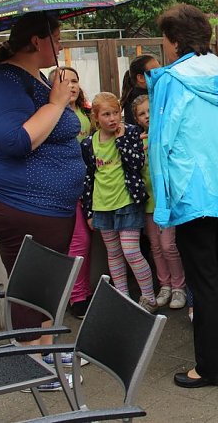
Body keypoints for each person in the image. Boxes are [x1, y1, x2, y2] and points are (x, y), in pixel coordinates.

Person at [147, 3, 218, 389]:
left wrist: (162, 201)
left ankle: (212, 367)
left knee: (205, 281)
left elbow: (159, 144)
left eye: (164, 38)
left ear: (175, 40)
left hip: (193, 190)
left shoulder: (170, 81)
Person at [0, 12, 83, 370]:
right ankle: (34, 362)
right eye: (57, 36)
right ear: (38, 41)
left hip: (49, 204)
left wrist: (61, 99)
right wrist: (56, 103)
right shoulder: (5, 79)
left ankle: (48, 349)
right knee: (33, 281)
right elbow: (15, 140)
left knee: (48, 279)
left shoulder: (33, 78)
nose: (62, 43)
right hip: (20, 200)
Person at [80, 92, 157, 312]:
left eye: (116, 113)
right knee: (113, 254)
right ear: (96, 118)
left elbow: (136, 163)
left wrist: (122, 140)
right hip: (102, 206)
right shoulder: (88, 144)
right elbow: (88, 178)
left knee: (131, 251)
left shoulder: (130, 133)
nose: (113, 118)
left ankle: (149, 297)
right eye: (106, 114)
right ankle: (122, 297)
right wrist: (89, 211)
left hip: (128, 202)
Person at [132, 95, 187, 310]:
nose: (147, 116)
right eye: (142, 114)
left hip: (167, 202)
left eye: (149, 111)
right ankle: (164, 285)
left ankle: (178, 286)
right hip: (149, 203)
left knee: (168, 246)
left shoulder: (166, 136)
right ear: (137, 119)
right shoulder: (138, 141)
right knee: (155, 246)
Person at [48, 66, 94, 319]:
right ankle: (77, 297)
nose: (72, 86)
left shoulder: (86, 112)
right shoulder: (51, 114)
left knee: (87, 239)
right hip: (64, 187)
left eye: (75, 80)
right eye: (65, 82)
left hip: (89, 185)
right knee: (79, 241)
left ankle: (81, 293)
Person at [120, 54, 161, 125]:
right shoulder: (140, 99)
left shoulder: (131, 94)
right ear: (141, 78)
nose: (161, 74)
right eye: (155, 72)